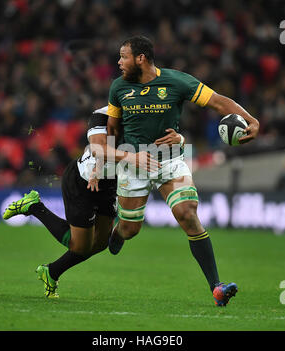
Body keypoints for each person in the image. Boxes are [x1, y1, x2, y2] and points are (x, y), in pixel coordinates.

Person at [104, 35, 260, 306]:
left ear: (141, 58)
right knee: (130, 230)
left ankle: (217, 287)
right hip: (135, 162)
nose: (119, 62)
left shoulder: (177, 81)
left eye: (123, 56)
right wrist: (110, 164)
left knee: (187, 214)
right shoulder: (118, 87)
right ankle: (118, 232)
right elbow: (111, 131)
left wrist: (250, 119)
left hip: (170, 159)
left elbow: (219, 102)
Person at [2, 105, 181, 298]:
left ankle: (51, 271)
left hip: (109, 185)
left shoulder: (148, 115)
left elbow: (170, 143)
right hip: (84, 182)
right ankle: (34, 207)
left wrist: (179, 140)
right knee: (79, 246)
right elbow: (99, 148)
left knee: (99, 244)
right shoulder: (103, 114)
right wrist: (100, 167)